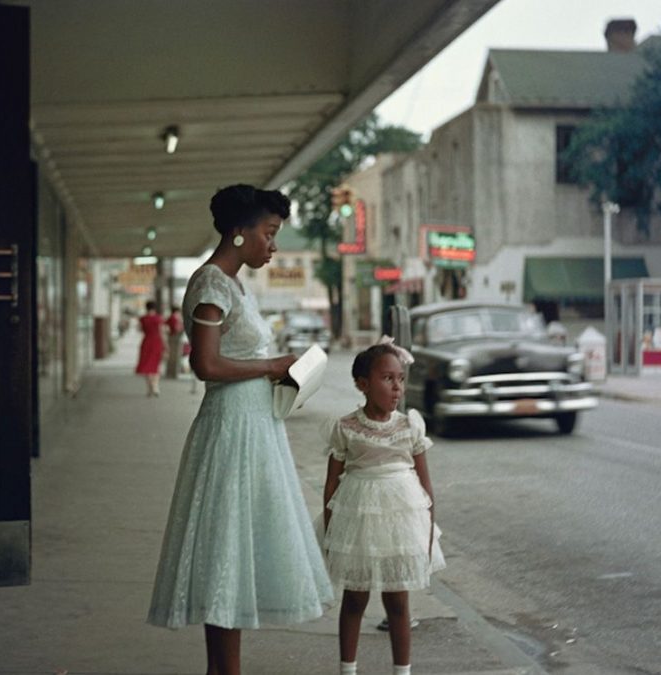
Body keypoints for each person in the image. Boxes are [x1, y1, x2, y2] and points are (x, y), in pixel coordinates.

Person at [147, 184, 333, 675]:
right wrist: (272, 363)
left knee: (241, 548)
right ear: (238, 233)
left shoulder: (234, 285)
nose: (273, 246)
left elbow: (235, 356)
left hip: (254, 425)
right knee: (227, 548)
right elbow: (205, 364)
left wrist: (282, 372)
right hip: (231, 430)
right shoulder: (211, 284)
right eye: (268, 233)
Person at [320, 340, 447, 675]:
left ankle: (401, 670)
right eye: (387, 378)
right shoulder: (347, 427)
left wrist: (427, 532)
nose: (396, 387)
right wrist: (332, 534)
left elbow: (425, 486)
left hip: (400, 521)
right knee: (355, 596)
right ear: (363, 384)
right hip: (359, 518)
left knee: (397, 600)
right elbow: (331, 484)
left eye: (401, 379)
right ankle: (348, 669)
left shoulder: (410, 426)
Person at [135, 300, 165, 396]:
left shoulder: (143, 318)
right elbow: (162, 332)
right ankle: (155, 387)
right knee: (155, 365)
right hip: (157, 342)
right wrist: (166, 345)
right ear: (155, 308)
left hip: (146, 342)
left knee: (147, 366)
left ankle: (149, 388)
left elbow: (139, 329)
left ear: (146, 307)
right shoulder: (159, 318)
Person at [164, 305, 184, 379]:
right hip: (175, 337)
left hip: (172, 337)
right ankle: (174, 373)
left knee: (172, 356)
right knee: (175, 356)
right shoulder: (175, 318)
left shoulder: (172, 317)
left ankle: (171, 372)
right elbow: (177, 328)